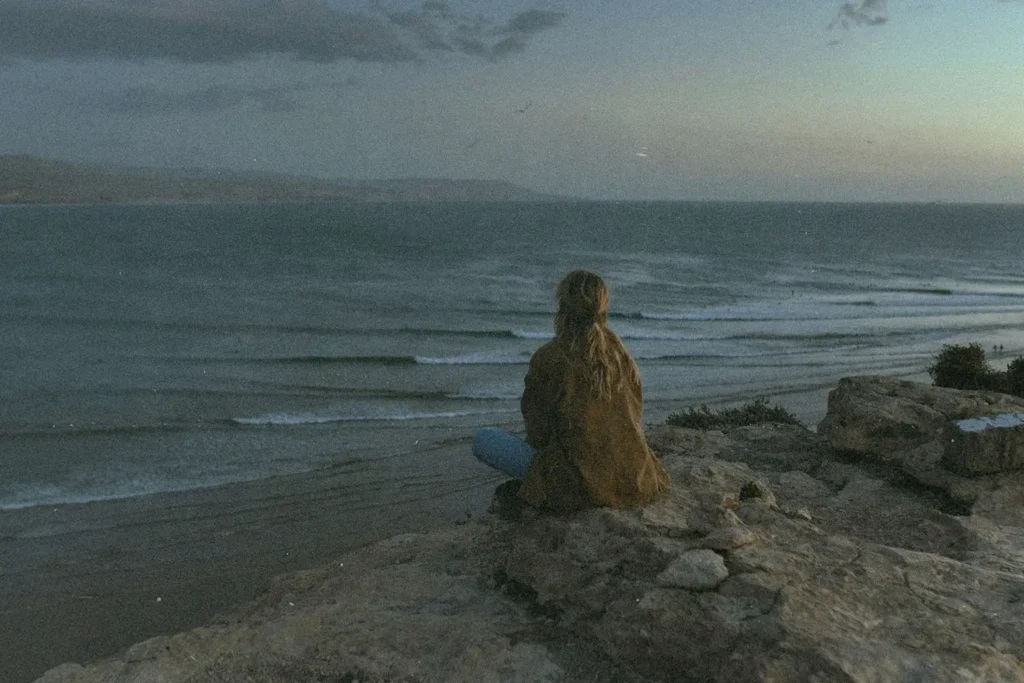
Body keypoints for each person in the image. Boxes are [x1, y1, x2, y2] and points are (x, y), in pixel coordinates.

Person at [473, 270, 670, 512]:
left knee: (484, 439)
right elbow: (635, 416)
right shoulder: (620, 353)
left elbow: (538, 433)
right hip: (636, 479)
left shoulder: (549, 357)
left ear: (562, 307)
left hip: (581, 487)